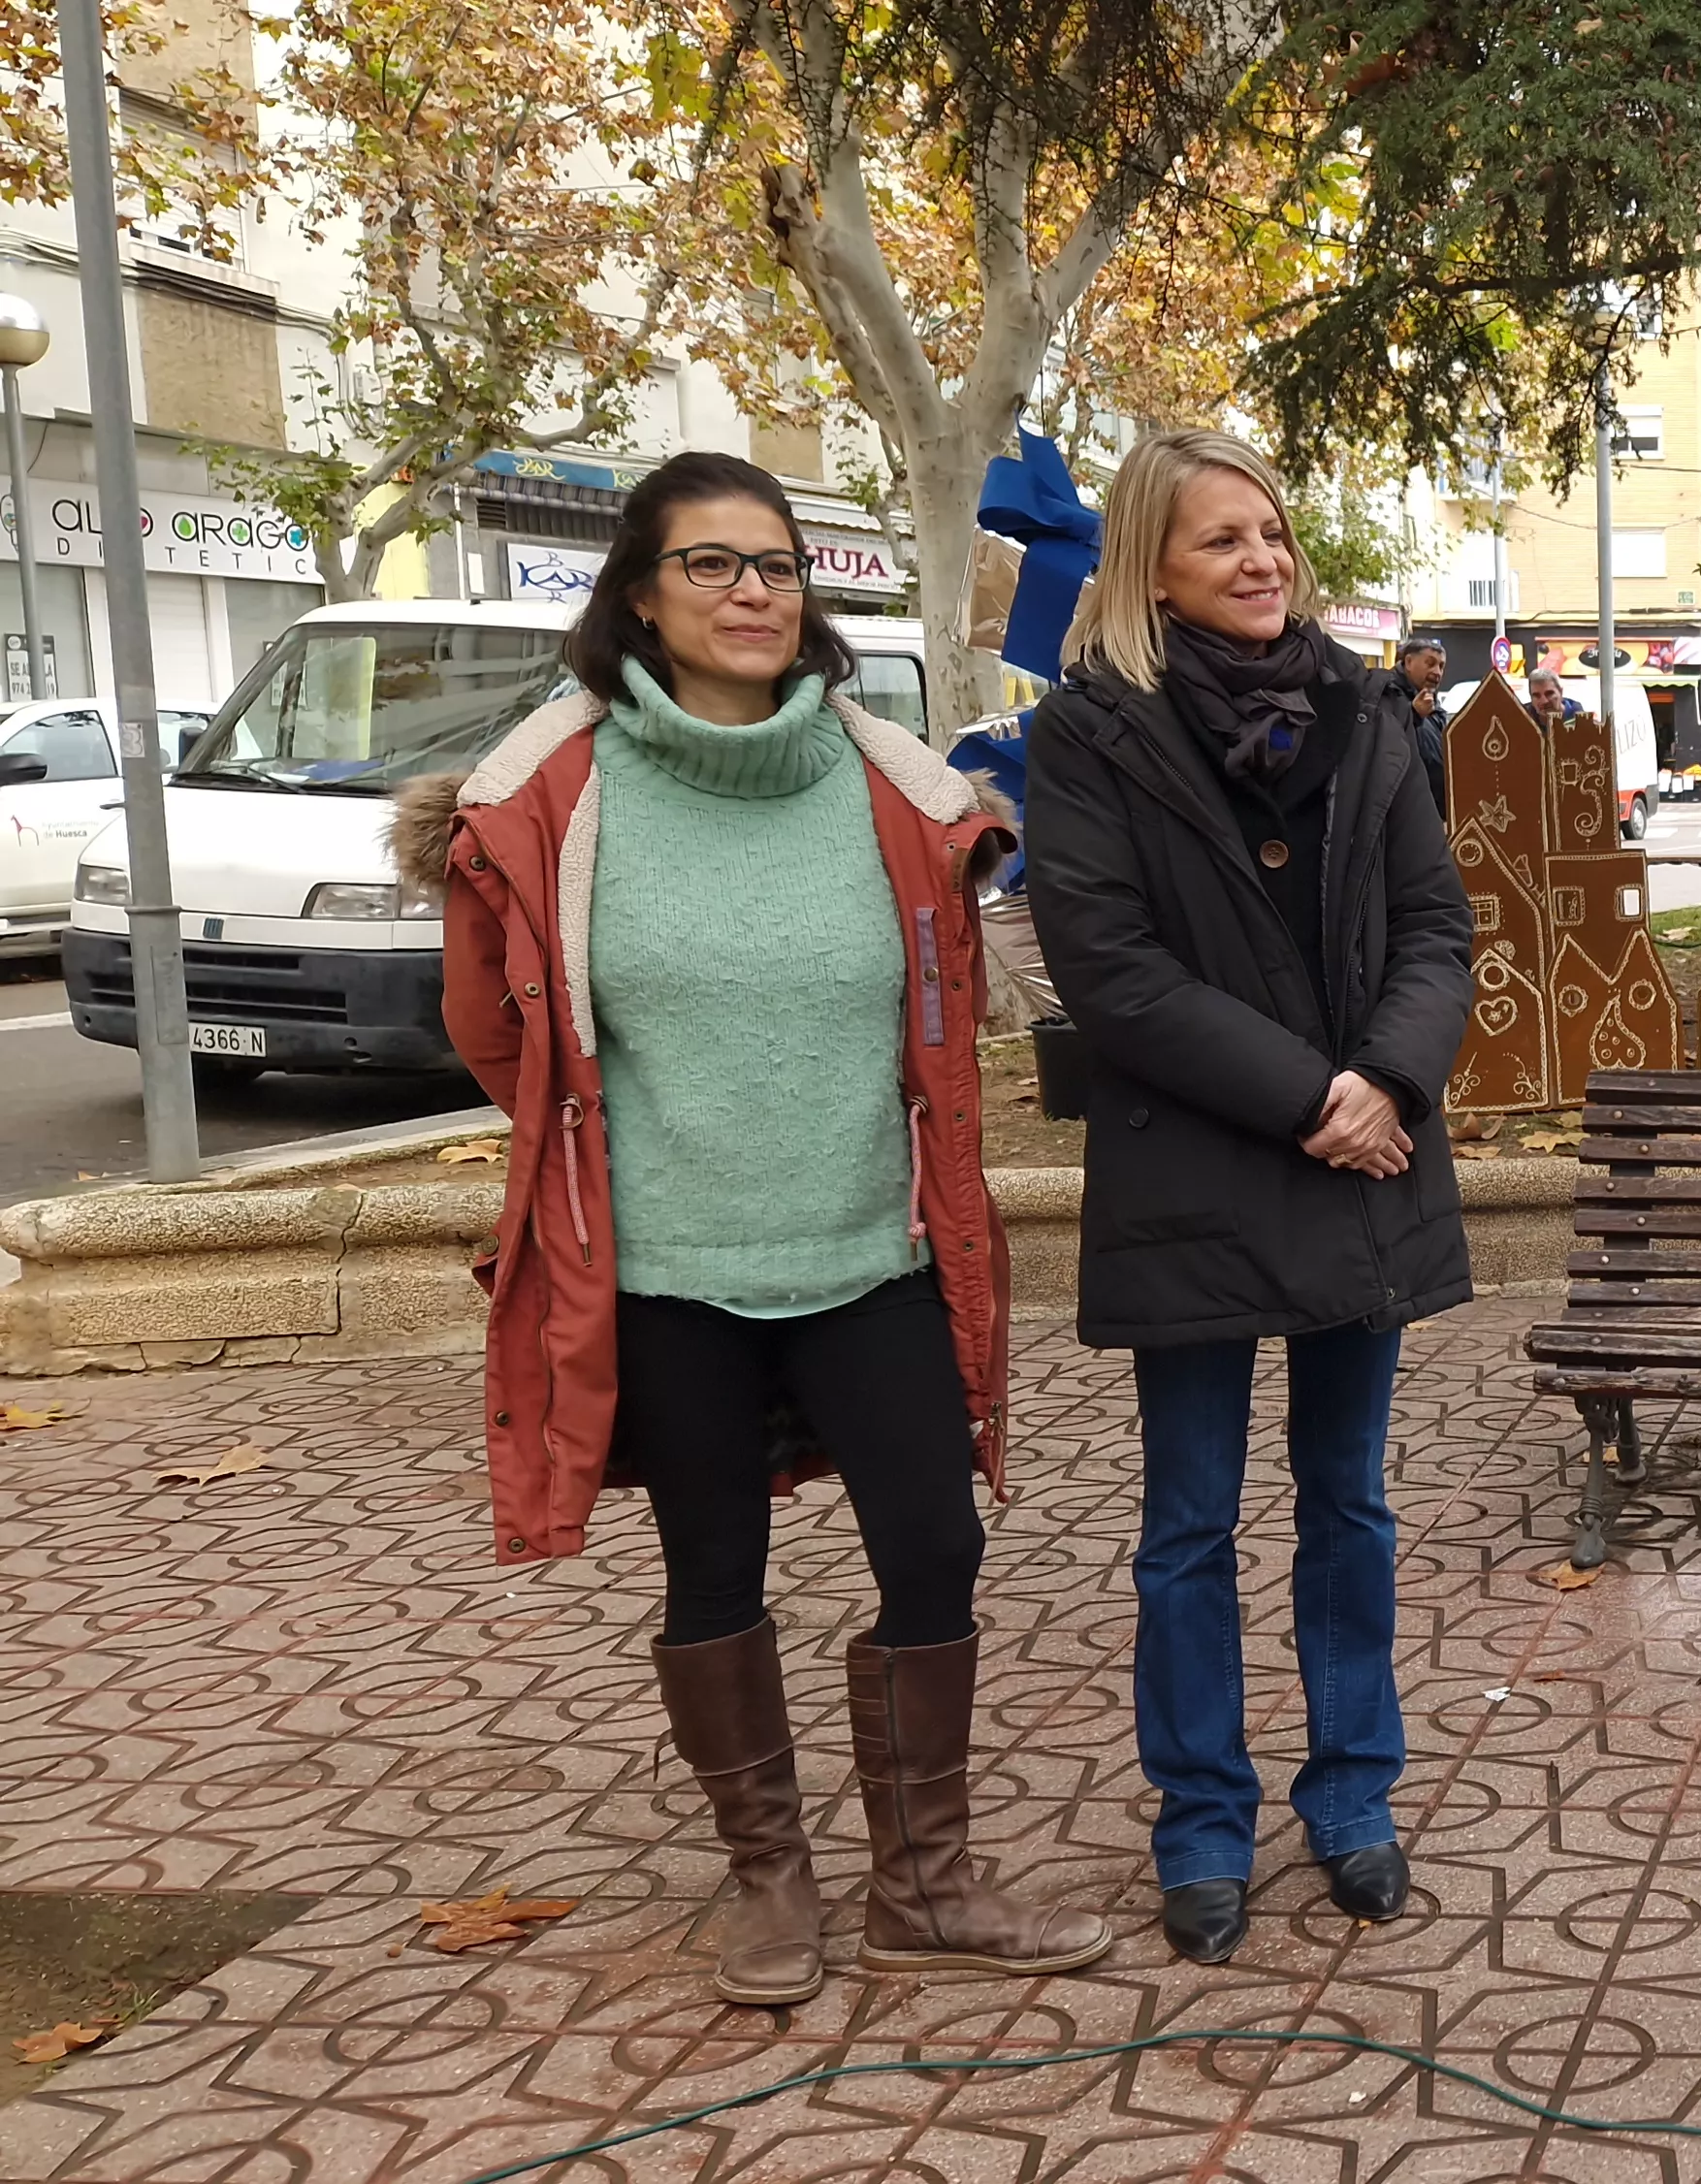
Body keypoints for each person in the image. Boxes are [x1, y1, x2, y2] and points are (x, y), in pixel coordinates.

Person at [397, 450, 1107, 2006]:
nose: (751, 593)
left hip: (871, 1246)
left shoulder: (890, 784)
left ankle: (925, 1885)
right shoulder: (550, 793)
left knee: (936, 1543)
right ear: (640, 597)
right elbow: (499, 1031)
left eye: (776, 565)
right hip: (666, 1267)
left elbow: (945, 1012)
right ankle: (770, 1880)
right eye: (710, 565)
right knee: (712, 1563)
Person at [1024, 430, 1475, 1966]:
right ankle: (1203, 1823)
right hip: (1205, 1166)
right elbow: (1112, 970)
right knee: (1189, 1523)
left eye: (1272, 534)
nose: (1263, 560)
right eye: (1223, 540)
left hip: (1365, 1159)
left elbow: (1435, 925)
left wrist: (1387, 1082)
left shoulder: (1363, 709)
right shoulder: (1093, 735)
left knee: (1349, 1503)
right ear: (1151, 567)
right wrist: (1312, 1101)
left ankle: (1353, 1799)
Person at [1388, 635, 1450, 812]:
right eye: (1430, 664)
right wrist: (1413, 714)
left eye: (1441, 666)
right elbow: (1386, 740)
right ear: (1408, 662)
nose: (1437, 672)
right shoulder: (1387, 693)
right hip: (1407, 808)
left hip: (1434, 807)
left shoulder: (1432, 702)